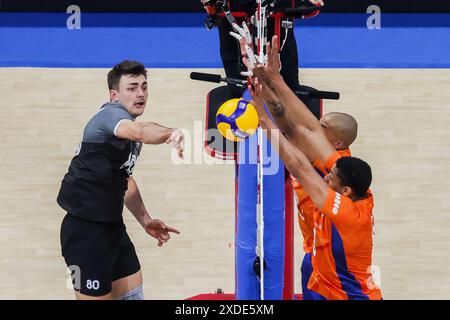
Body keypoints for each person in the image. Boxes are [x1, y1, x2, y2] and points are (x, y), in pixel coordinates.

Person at [247, 37, 382, 300]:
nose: (328, 174)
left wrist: (264, 120)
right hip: (321, 268)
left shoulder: (345, 211)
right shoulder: (344, 168)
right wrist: (276, 80)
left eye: (330, 176)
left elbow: (299, 166)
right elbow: (305, 127)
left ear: (344, 190)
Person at [57, 60, 184, 300]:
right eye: (132, 87)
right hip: (85, 234)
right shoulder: (110, 117)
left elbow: (124, 179)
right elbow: (141, 131)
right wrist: (170, 133)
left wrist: (146, 220)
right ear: (114, 95)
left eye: (144, 87)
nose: (141, 93)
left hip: (113, 229)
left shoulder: (129, 134)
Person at [291, 112, 357, 300]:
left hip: (325, 259)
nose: (315, 130)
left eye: (323, 127)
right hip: (314, 249)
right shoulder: (328, 156)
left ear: (338, 143)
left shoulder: (333, 165)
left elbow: (293, 139)